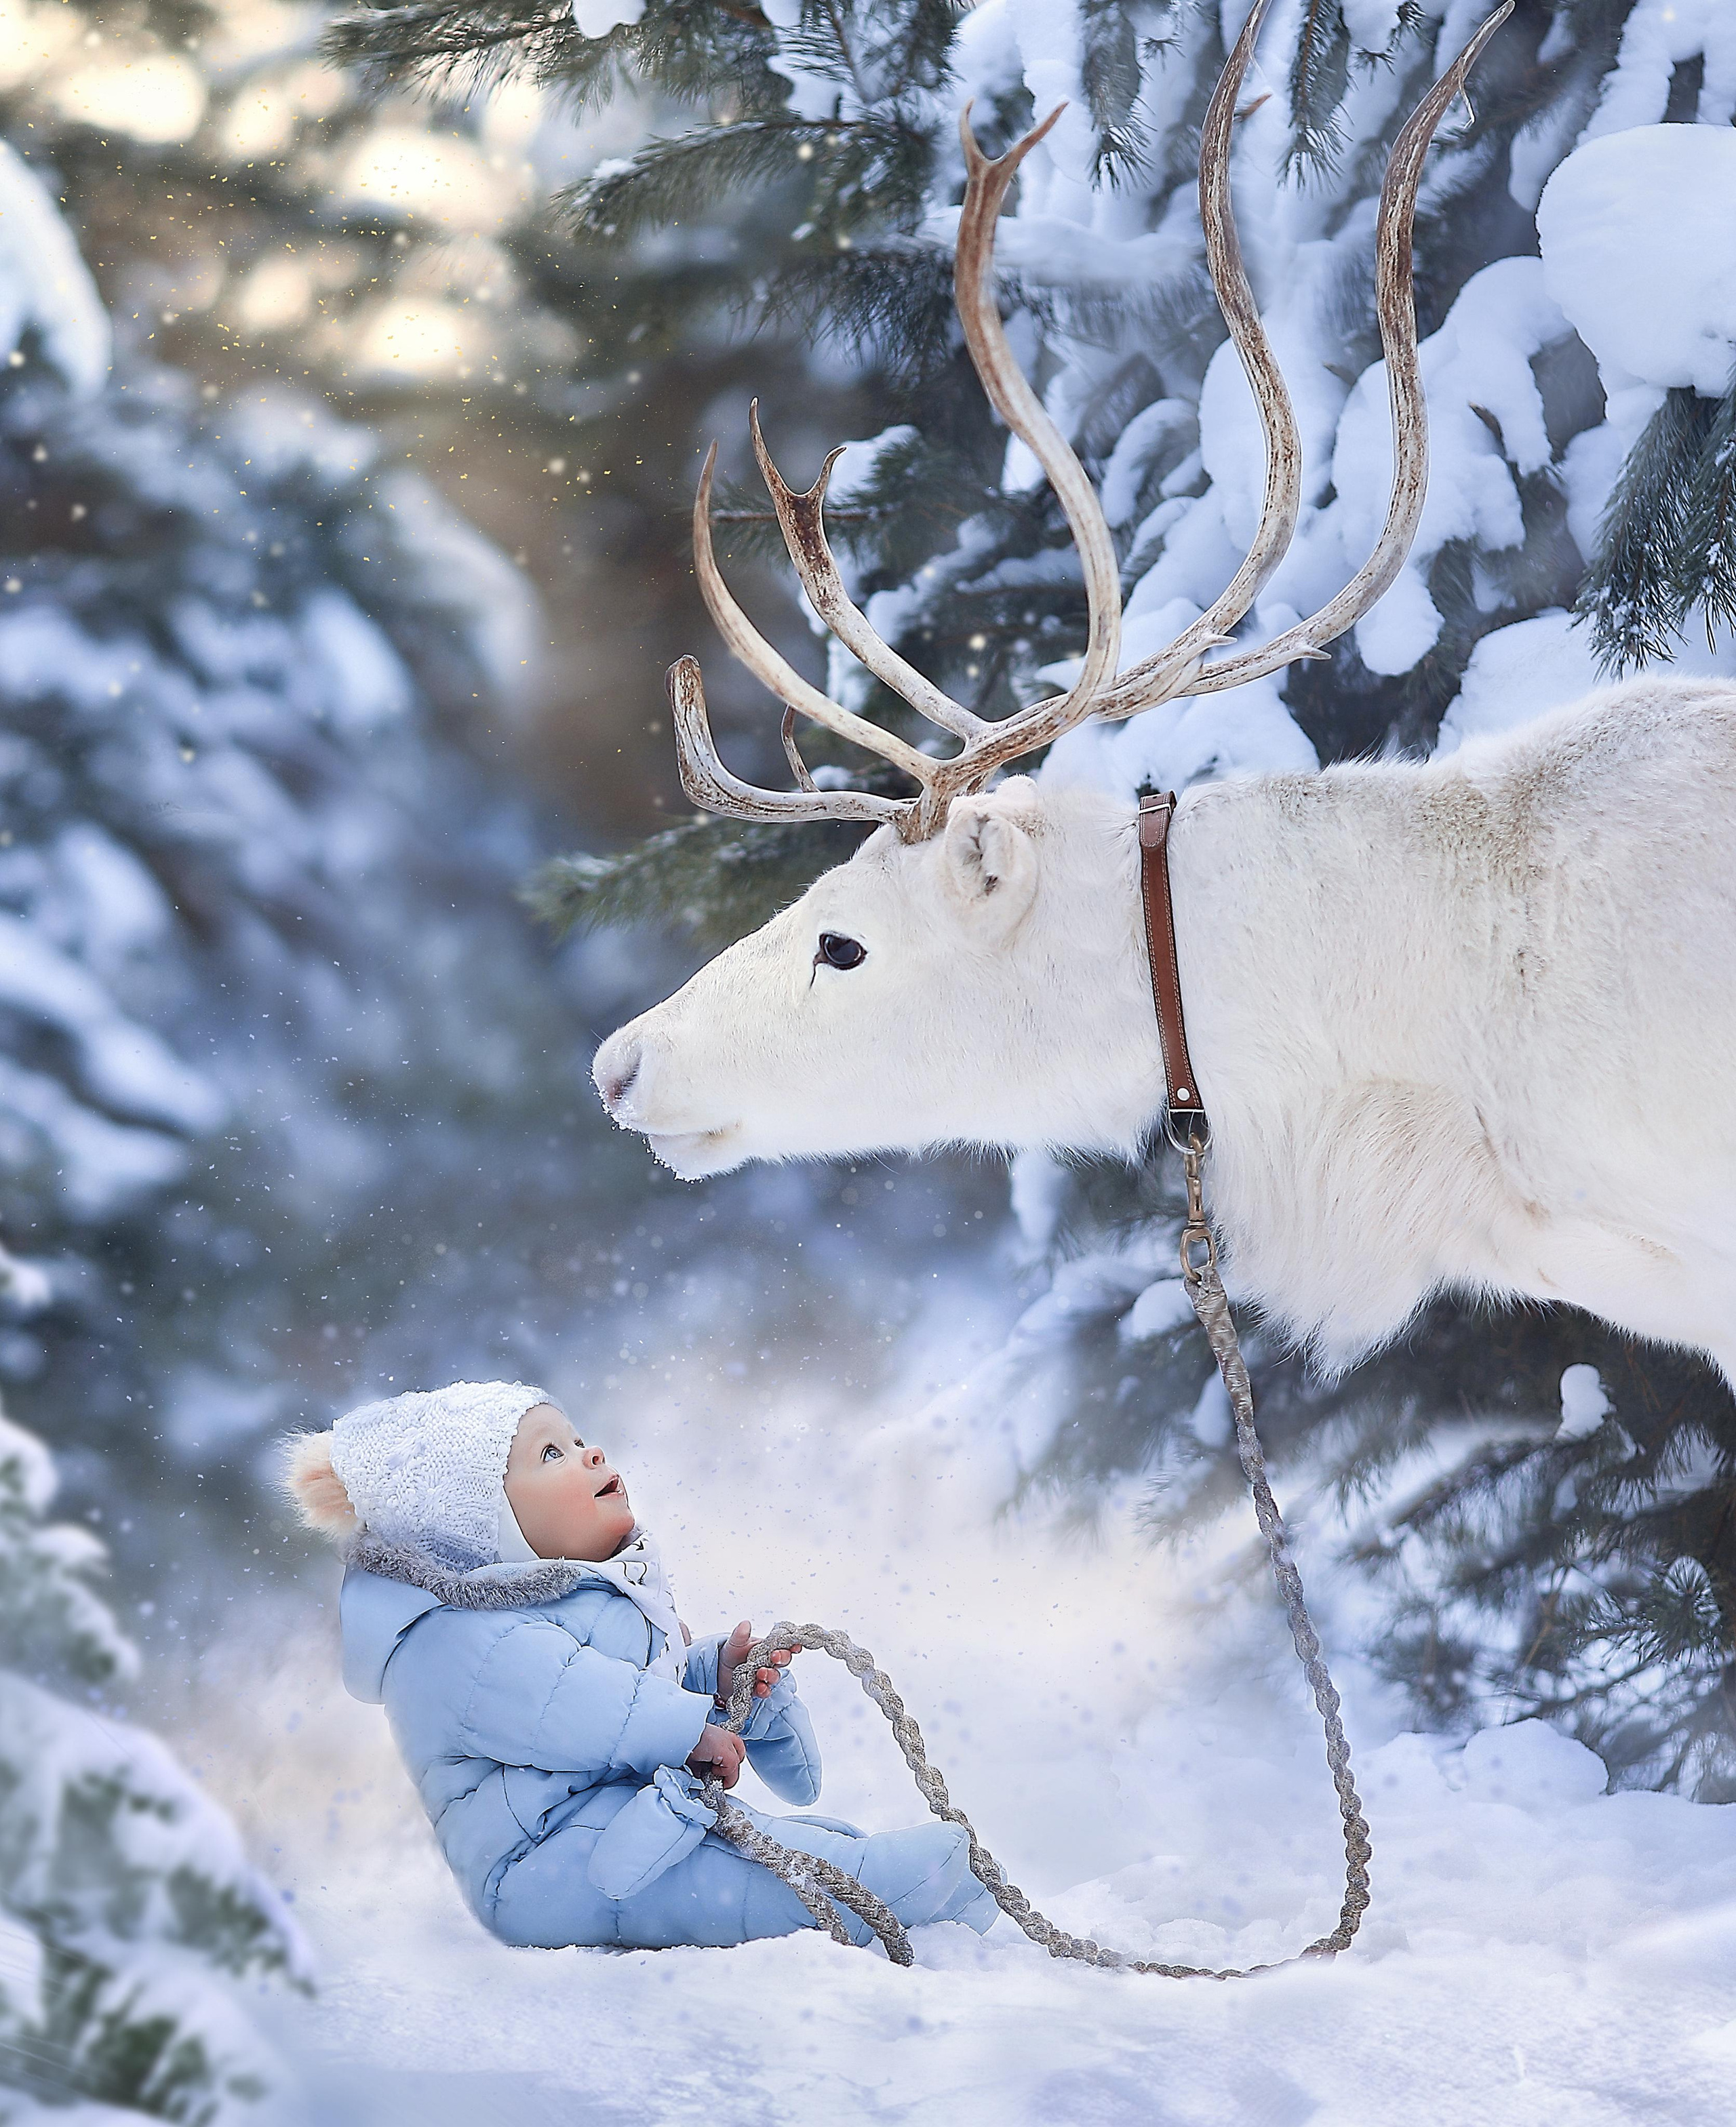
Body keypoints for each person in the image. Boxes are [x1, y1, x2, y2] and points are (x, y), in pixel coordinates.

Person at [284, 1380, 995, 1951]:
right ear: (479, 1528)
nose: (590, 1453)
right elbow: (573, 1704)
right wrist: (689, 1729)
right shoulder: (452, 1642)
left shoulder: (561, 1604)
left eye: (579, 1438)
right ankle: (886, 1888)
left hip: (602, 1820)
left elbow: (623, 1698)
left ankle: (921, 1887)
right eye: (551, 1456)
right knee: (724, 1884)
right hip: (541, 1865)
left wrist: (711, 1677)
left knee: (785, 1846)